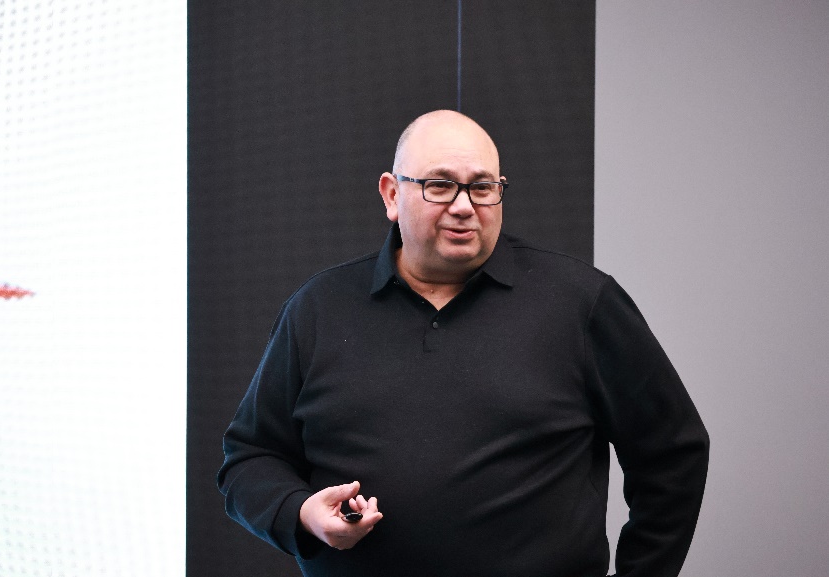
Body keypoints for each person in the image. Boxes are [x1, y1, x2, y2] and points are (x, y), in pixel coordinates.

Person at [218, 110, 709, 577]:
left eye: (482, 187)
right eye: (439, 185)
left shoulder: (581, 303)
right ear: (392, 195)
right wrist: (301, 513)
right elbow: (250, 459)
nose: (463, 206)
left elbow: (673, 451)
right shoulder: (317, 310)